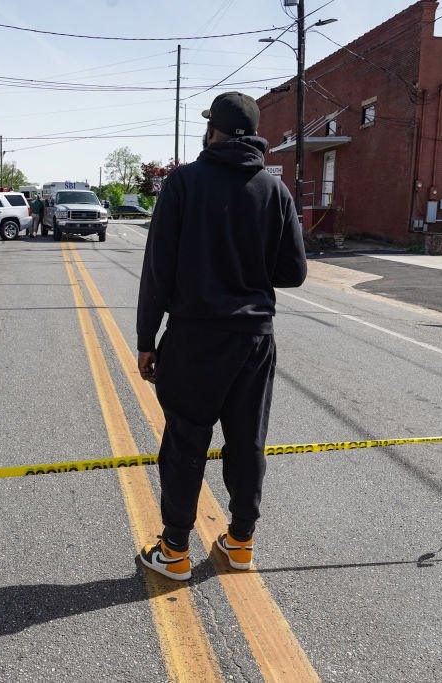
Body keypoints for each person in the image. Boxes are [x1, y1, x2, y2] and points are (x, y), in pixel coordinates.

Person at [136, 91, 307, 580]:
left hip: (195, 339)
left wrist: (147, 340)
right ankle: (240, 542)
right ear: (252, 134)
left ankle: (173, 552)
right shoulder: (274, 191)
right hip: (254, 337)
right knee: (247, 440)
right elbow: (292, 272)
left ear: (214, 130)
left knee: (186, 442)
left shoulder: (184, 183)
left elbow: (157, 272)